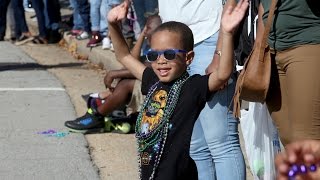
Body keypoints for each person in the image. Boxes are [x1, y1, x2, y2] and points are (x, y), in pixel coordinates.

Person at [107, 0, 248, 179]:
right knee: (198, 149)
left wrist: (227, 34)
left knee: (221, 143)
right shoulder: (152, 81)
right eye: (153, 55)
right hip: (151, 174)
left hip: (179, 174)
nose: (161, 61)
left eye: (169, 54)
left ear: (188, 58)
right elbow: (123, 55)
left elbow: (222, 75)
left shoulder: (192, 87)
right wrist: (112, 24)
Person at [158, 0, 246, 179]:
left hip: (209, 39)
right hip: (174, 45)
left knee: (221, 142)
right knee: (195, 146)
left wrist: (219, 52)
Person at [64, 14, 162, 133]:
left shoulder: (161, 49)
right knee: (124, 75)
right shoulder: (151, 47)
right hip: (151, 87)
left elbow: (148, 71)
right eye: (145, 28)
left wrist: (114, 74)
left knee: (126, 83)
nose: (146, 30)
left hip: (160, 92)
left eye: (149, 28)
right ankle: (113, 110)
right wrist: (142, 35)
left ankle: (97, 116)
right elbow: (132, 61)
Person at [257, 0, 320, 145]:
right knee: (288, 139)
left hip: (306, 43)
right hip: (272, 52)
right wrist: (259, 50)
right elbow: (263, 6)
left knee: (306, 140)